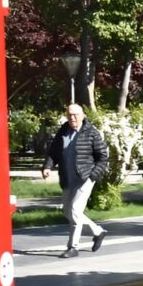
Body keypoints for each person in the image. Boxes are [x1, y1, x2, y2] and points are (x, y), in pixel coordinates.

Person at [42, 103, 109, 258]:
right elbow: (53, 152)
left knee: (74, 210)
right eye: (69, 114)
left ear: (83, 115)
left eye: (75, 114)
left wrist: (93, 176)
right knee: (68, 211)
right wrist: (47, 166)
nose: (72, 117)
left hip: (84, 177)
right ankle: (98, 231)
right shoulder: (63, 131)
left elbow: (102, 157)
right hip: (67, 177)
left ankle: (73, 247)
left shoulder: (91, 133)